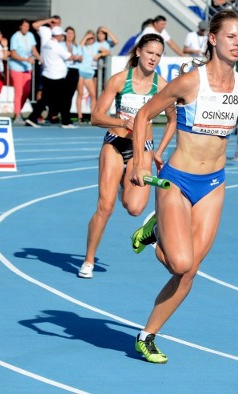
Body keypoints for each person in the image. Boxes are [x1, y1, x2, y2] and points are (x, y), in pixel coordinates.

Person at [128, 9, 238, 364]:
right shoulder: (190, 82)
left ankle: (147, 335)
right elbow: (144, 115)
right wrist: (142, 161)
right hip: (177, 180)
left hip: (213, 184)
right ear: (213, 39)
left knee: (188, 271)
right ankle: (157, 227)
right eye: (231, 37)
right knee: (180, 261)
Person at [78, 34, 175, 279]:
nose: (154, 58)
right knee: (105, 206)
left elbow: (173, 120)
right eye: (150, 52)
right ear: (139, 51)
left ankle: (125, 187)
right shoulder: (120, 80)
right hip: (115, 144)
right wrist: (122, 121)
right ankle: (88, 260)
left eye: (158, 55)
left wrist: (160, 152)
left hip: (143, 149)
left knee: (134, 208)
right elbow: (96, 116)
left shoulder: (162, 86)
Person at [25, 26, 76, 129]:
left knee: (45, 99)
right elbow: (69, 56)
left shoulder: (46, 44)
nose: (62, 37)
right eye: (61, 35)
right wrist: (76, 57)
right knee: (64, 99)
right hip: (56, 77)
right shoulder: (56, 46)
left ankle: (32, 118)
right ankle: (65, 121)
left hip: (48, 74)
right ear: (58, 35)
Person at [9, 19, 41, 125]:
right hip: (16, 67)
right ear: (20, 26)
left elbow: (34, 50)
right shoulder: (15, 37)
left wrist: (41, 59)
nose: (26, 28)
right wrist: (25, 59)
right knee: (18, 91)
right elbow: (13, 54)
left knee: (26, 91)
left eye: (27, 26)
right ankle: (17, 115)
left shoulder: (30, 35)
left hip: (27, 68)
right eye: (24, 26)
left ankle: (18, 111)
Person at [77, 30, 105, 123]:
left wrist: (100, 54)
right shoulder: (83, 46)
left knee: (93, 95)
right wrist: (85, 38)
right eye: (88, 38)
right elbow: (79, 47)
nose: (90, 40)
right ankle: (79, 116)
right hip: (81, 71)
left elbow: (107, 51)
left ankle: (92, 116)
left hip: (90, 72)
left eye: (92, 38)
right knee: (80, 94)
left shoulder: (96, 46)